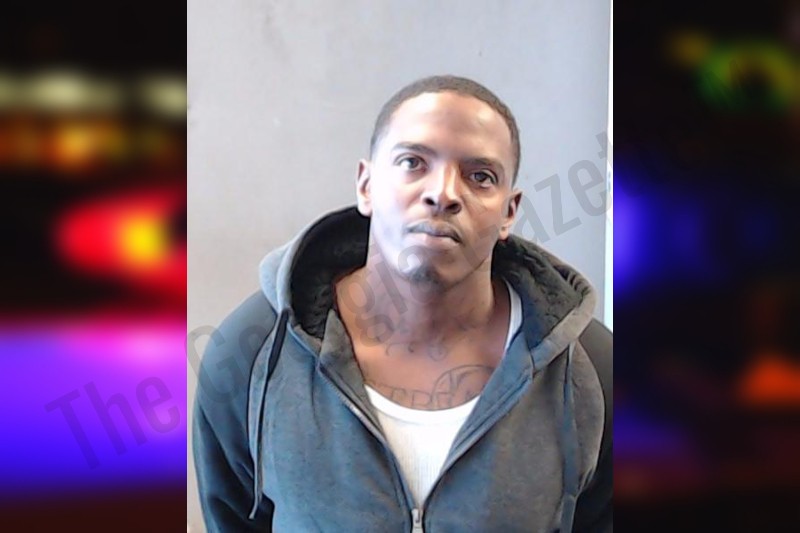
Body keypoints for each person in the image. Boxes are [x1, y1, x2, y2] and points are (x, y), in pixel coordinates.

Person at [193, 75, 612, 532]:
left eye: (480, 177)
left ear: (509, 212)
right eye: (413, 162)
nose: (444, 193)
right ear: (366, 185)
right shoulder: (255, 354)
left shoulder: (591, 368)